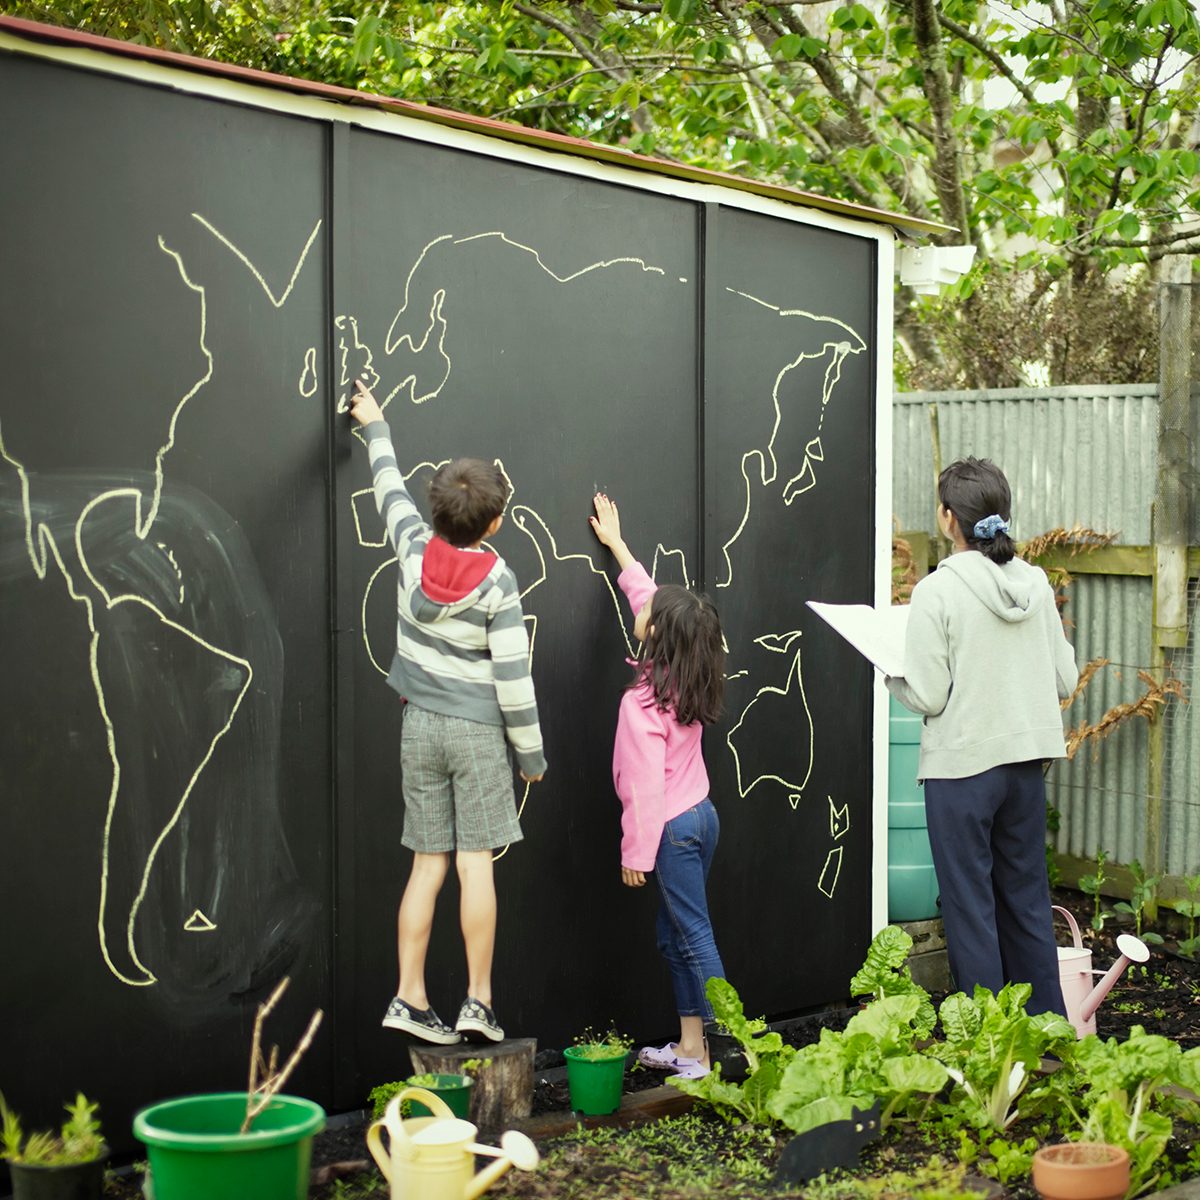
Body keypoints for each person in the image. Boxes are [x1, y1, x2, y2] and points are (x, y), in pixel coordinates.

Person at [349, 378, 546, 1044]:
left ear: (436, 512)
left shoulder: (410, 547)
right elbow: (514, 680)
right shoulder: (498, 581)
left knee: (427, 865)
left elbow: (387, 488)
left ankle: (409, 996)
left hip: (419, 727)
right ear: (493, 522)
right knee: (474, 865)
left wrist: (374, 423)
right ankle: (478, 1003)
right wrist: (531, 758)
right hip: (477, 733)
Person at [886, 457, 1076, 1016]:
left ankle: (987, 1044)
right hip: (1025, 767)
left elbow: (929, 696)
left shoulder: (938, 591)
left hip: (962, 772)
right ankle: (1048, 1041)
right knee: (1026, 906)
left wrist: (891, 673)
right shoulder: (1035, 583)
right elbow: (1064, 678)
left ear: (949, 519)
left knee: (970, 911)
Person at [589, 492, 727, 1079]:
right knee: (676, 936)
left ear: (656, 637)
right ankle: (691, 1049)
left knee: (692, 936)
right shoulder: (688, 671)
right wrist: (618, 545)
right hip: (700, 816)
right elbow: (649, 596)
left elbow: (643, 787)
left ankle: (731, 1044)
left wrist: (635, 853)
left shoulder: (641, 703)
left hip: (668, 828)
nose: (643, 608)